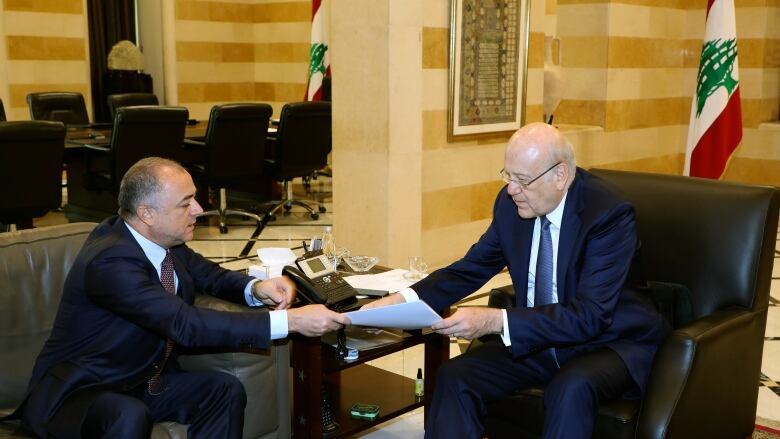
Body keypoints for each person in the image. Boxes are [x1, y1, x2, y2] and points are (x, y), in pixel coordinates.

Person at [365, 123, 669, 438]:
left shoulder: (607, 214)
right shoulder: (512, 205)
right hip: (541, 338)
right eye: (508, 175)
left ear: (560, 176)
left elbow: (590, 316)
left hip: (610, 341)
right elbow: (469, 269)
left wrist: (496, 320)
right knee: (456, 375)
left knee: (570, 388)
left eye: (522, 180)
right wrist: (398, 303)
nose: (511, 189)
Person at [20, 157, 349, 438]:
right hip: (81, 393)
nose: (199, 209)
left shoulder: (164, 243)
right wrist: (289, 322)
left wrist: (255, 288)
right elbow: (183, 323)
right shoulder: (110, 261)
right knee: (127, 415)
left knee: (223, 390)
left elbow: (212, 276)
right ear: (147, 213)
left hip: (140, 381)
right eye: (185, 203)